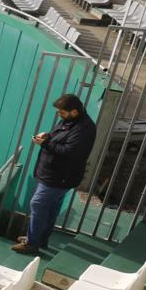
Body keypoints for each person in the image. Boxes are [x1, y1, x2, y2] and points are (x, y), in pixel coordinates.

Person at [13, 94, 97, 254]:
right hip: (55, 174)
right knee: (50, 208)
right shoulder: (71, 121)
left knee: (37, 204)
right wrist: (48, 136)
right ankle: (39, 239)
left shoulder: (83, 129)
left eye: (62, 112)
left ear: (74, 111)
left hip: (59, 177)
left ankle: (32, 243)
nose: (60, 115)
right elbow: (62, 139)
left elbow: (70, 152)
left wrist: (45, 143)